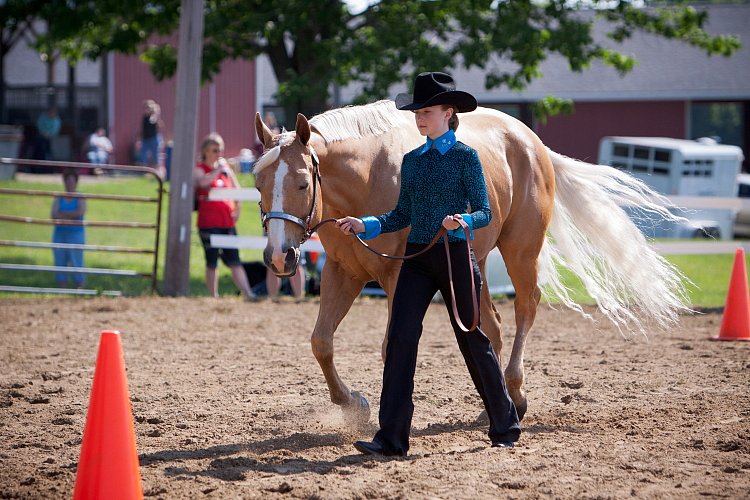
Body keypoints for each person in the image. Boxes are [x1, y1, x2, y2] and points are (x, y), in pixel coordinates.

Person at [335, 72, 521, 457]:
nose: (419, 117)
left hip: (454, 256)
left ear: (448, 113)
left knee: (472, 338)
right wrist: (364, 223)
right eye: (417, 111)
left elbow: (485, 212)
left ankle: (504, 424)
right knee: (401, 338)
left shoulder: (467, 158)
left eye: (427, 111)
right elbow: (399, 214)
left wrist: (463, 221)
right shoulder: (413, 161)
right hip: (417, 258)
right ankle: (391, 438)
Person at [193, 133, 257, 300]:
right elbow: (202, 183)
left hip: (227, 222)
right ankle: (214, 295)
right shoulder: (201, 169)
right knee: (212, 261)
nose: (219, 153)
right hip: (208, 223)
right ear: (205, 151)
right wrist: (217, 170)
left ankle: (248, 293)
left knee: (235, 260)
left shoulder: (225, 171)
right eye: (215, 150)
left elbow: (236, 190)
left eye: (220, 150)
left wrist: (238, 209)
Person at [51, 170, 86, 288]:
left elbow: (80, 212)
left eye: (72, 181)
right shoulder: (59, 197)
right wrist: (72, 214)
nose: (70, 184)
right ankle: (62, 287)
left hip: (76, 234)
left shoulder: (80, 197)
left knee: (77, 260)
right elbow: (53, 214)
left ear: (76, 182)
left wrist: (63, 214)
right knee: (60, 260)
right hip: (60, 233)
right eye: (68, 181)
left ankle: (79, 286)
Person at [140, 99, 164, 174]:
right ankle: (144, 172)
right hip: (145, 138)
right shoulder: (144, 117)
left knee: (155, 156)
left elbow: (160, 125)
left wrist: (156, 116)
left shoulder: (154, 117)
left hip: (154, 138)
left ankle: (156, 172)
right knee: (143, 155)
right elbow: (142, 129)